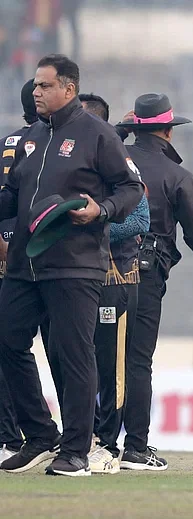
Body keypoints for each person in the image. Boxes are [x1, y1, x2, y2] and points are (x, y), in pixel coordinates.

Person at [0, 54, 144, 477]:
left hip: (75, 262)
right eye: (35, 86)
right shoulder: (32, 137)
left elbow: (131, 187)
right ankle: (41, 435)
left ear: (68, 88)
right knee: (7, 339)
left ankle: (77, 450)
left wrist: (103, 209)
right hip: (27, 263)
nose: (36, 92)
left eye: (44, 86)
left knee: (73, 354)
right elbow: (13, 195)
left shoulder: (97, 134)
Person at [113, 93, 193, 472]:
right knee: (138, 360)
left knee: (101, 357)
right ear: (169, 131)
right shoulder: (176, 175)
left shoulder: (111, 160)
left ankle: (96, 442)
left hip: (97, 269)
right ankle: (135, 448)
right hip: (143, 270)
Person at [78, 92, 150, 475]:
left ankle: (107, 444)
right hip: (73, 276)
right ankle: (80, 437)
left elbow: (140, 220)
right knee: (74, 360)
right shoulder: (67, 162)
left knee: (112, 367)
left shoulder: (122, 163)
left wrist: (93, 223)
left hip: (115, 276)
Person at [0, 78, 40, 465]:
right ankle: (82, 436)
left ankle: (10, 436)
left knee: (10, 345)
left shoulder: (6, 143)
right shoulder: (56, 142)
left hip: (7, 254)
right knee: (66, 351)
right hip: (49, 255)